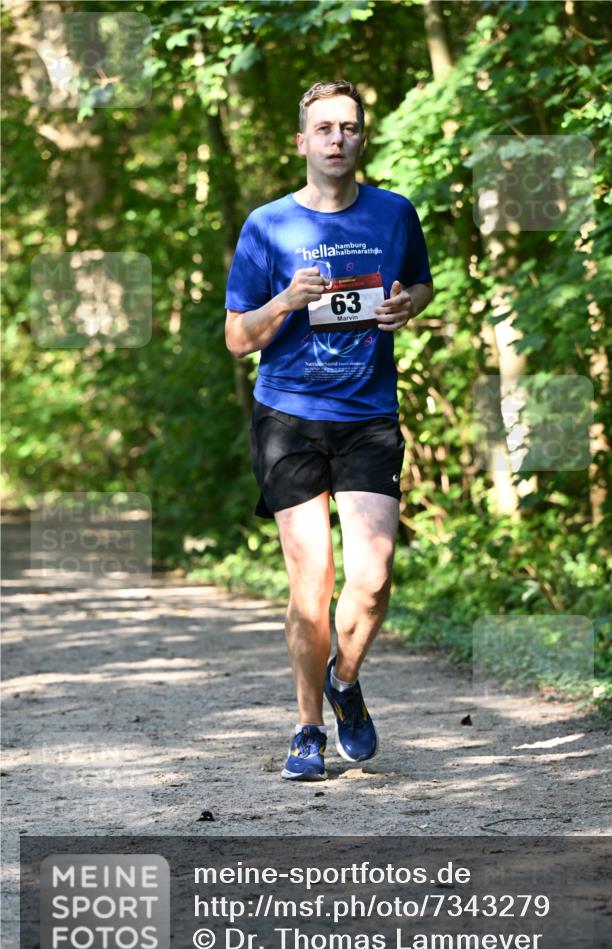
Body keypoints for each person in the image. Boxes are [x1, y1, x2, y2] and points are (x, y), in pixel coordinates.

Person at [225, 80, 433, 781]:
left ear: (361, 138)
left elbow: (418, 285)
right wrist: (284, 300)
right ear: (302, 142)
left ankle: (345, 679)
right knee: (310, 585)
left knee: (372, 581)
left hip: (369, 417)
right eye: (323, 128)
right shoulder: (268, 226)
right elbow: (235, 338)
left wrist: (406, 305)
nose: (336, 139)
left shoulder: (394, 214)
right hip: (287, 418)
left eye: (348, 127)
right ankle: (307, 726)